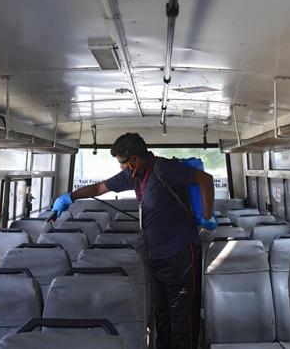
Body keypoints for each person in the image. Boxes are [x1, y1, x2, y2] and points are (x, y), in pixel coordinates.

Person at [50, 132, 217, 349]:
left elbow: (205, 180)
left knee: (182, 318)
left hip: (182, 254)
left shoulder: (164, 168)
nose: (121, 168)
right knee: (162, 314)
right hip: (156, 255)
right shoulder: (134, 175)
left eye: (123, 162)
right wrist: (70, 197)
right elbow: (100, 187)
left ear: (135, 159)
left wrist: (206, 215)